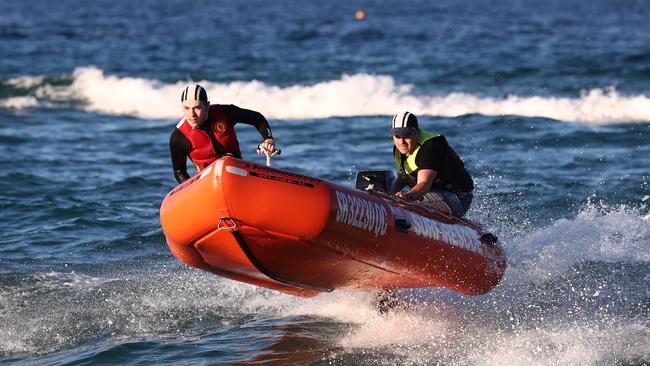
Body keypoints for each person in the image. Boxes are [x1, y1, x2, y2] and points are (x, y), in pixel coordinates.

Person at [169, 84, 276, 184]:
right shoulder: (179, 136)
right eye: (186, 108)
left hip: (238, 173)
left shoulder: (225, 113)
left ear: (207, 105)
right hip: (207, 183)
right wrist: (192, 188)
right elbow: (179, 172)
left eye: (197, 108)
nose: (191, 114)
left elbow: (257, 118)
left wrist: (268, 139)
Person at [389, 111, 474, 217]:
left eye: (406, 135)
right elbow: (405, 177)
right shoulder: (400, 149)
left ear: (416, 132)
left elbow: (424, 184)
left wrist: (406, 197)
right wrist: (388, 194)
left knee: (403, 206)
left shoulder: (429, 146)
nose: (402, 141)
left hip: (458, 197)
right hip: (434, 194)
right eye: (397, 136)